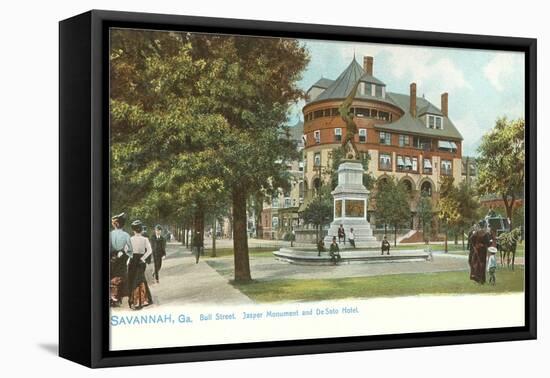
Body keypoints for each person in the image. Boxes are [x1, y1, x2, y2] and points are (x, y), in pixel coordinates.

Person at [128, 220, 153, 310]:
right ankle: (142, 300)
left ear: (133, 230)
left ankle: (134, 301)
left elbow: (126, 250)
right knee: (140, 280)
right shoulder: (145, 239)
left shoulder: (130, 239)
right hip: (141, 261)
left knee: (133, 280)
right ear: (141, 230)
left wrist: (131, 256)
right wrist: (143, 258)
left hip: (133, 260)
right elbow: (150, 251)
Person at [109, 213, 132, 307]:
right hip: (122, 258)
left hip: (112, 258)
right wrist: (125, 254)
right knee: (120, 277)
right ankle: (118, 298)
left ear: (116, 224)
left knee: (112, 276)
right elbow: (130, 249)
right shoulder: (126, 235)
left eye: (113, 223)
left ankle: (113, 298)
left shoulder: (110, 234)